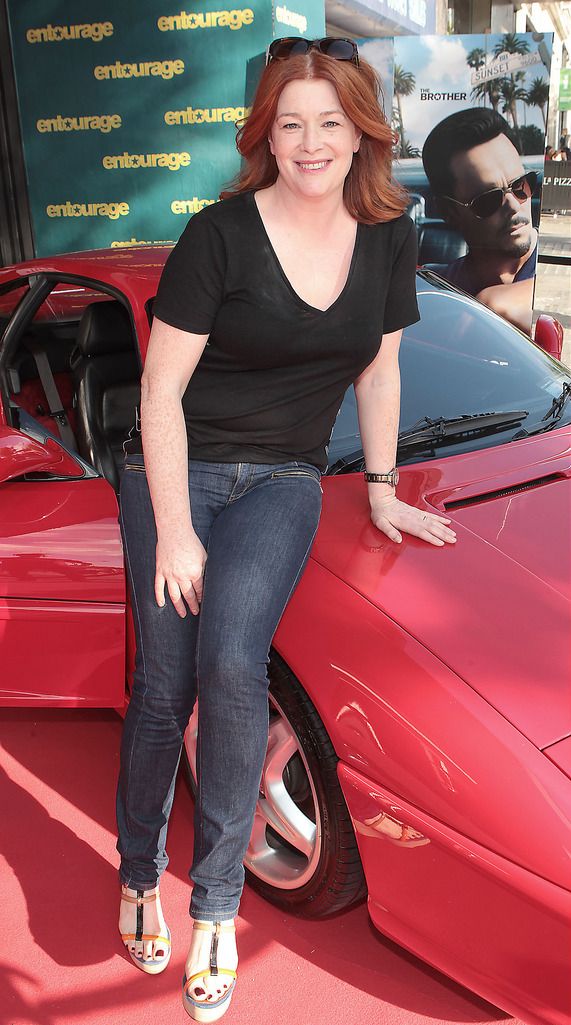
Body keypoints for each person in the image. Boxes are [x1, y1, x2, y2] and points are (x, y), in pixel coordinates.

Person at [116, 35, 457, 1022]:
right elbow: (160, 386)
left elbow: (379, 368)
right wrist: (177, 528)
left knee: (233, 663)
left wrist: (384, 488)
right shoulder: (219, 233)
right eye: (290, 123)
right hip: (175, 467)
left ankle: (216, 904)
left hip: (283, 479)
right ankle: (139, 866)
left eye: (329, 122)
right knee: (164, 679)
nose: (310, 142)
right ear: (267, 134)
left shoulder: (391, 235)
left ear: (361, 132)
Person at [422, 108, 538, 334]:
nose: (514, 205)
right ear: (449, 212)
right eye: (489, 199)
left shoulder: (560, 270)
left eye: (521, 186)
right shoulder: (437, 290)